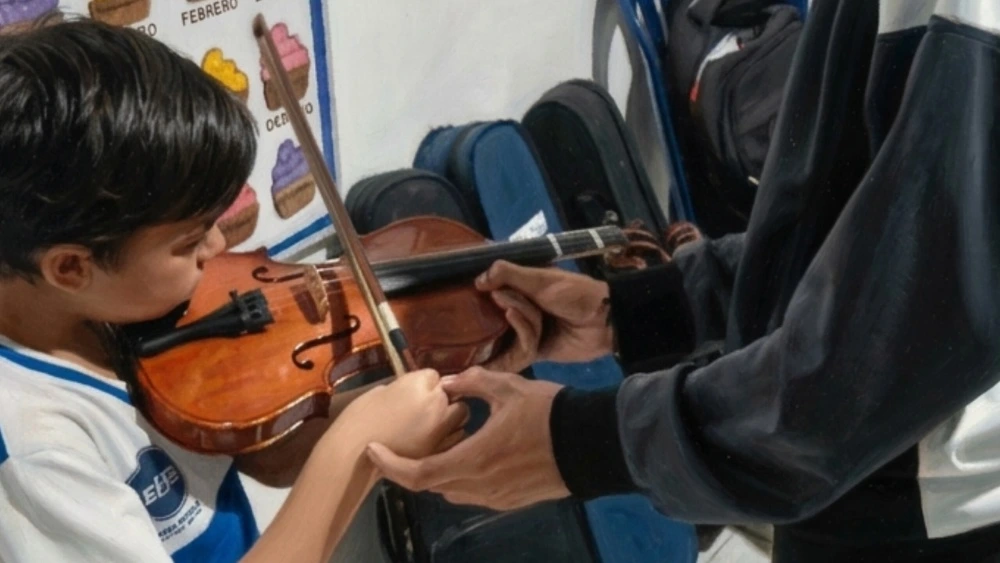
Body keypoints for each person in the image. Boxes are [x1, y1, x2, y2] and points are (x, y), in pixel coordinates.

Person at [365, 1, 1000, 561]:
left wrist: (583, 441)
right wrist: (639, 310)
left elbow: (866, 367)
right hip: (866, 485)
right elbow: (849, 238)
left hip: (922, 517)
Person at [0, 15, 548, 562]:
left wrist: (443, 381)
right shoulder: (36, 451)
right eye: (190, 240)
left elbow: (264, 454)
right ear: (71, 267)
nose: (218, 247)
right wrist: (353, 451)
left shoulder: (102, 312)